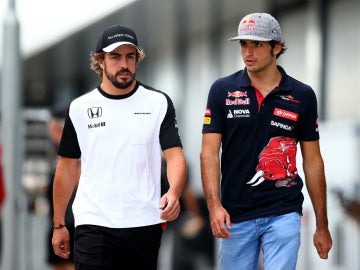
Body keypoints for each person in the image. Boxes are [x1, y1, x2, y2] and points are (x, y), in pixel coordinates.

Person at [200, 12, 332, 270]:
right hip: (234, 215)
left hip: (284, 212)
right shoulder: (222, 90)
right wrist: (214, 207)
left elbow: (313, 161)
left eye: (257, 44)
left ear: (277, 48)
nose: (248, 51)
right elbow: (208, 153)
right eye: (243, 44)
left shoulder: (303, 95)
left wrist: (322, 225)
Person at [51, 24, 187, 270]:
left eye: (130, 56)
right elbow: (67, 167)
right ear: (100, 61)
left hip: (144, 222)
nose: (124, 64)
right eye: (115, 56)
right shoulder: (80, 107)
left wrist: (174, 192)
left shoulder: (158, 102)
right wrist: (59, 224)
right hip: (94, 224)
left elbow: (175, 157)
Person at [46, 106, 78, 270]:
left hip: (71, 222)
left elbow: (75, 182)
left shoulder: (74, 152)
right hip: (58, 220)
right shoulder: (58, 150)